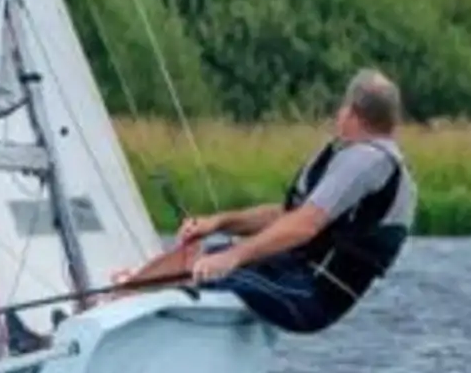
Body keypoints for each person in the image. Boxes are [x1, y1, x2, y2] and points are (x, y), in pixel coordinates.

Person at [113, 69, 415, 331]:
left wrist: (233, 257)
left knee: (206, 271)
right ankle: (125, 293)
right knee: (203, 254)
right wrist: (219, 223)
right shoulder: (352, 155)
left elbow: (303, 226)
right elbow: (287, 216)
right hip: (291, 272)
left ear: (350, 112)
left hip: (311, 294)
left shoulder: (367, 161)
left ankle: (126, 300)